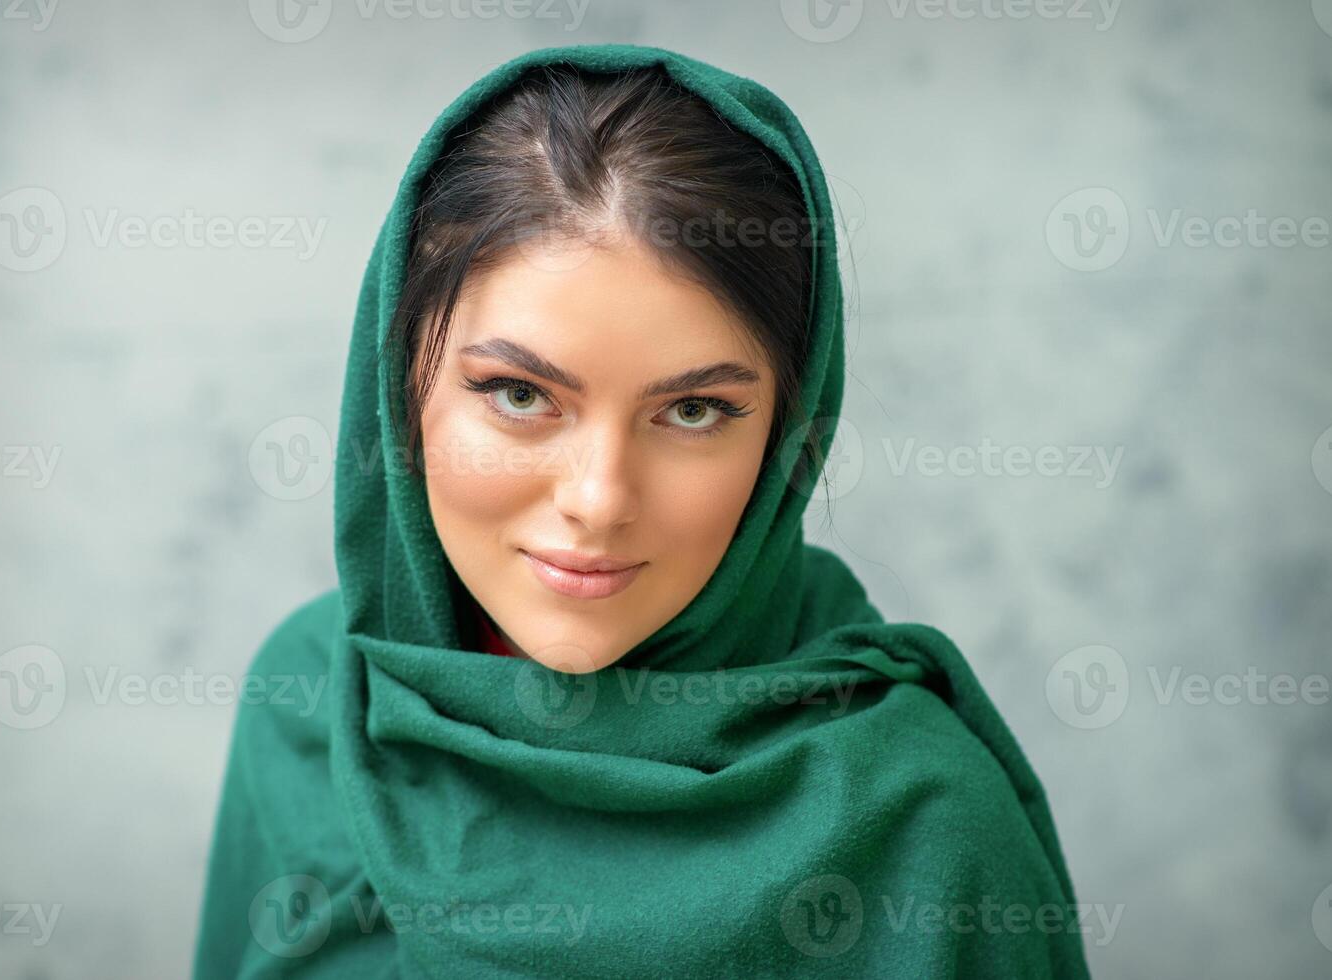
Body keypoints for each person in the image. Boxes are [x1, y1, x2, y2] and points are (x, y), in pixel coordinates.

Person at [194, 43, 1091, 978]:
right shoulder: (311, 702)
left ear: (785, 435)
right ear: (399, 389)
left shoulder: (926, 829)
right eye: (518, 394)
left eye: (693, 411)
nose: (599, 500)